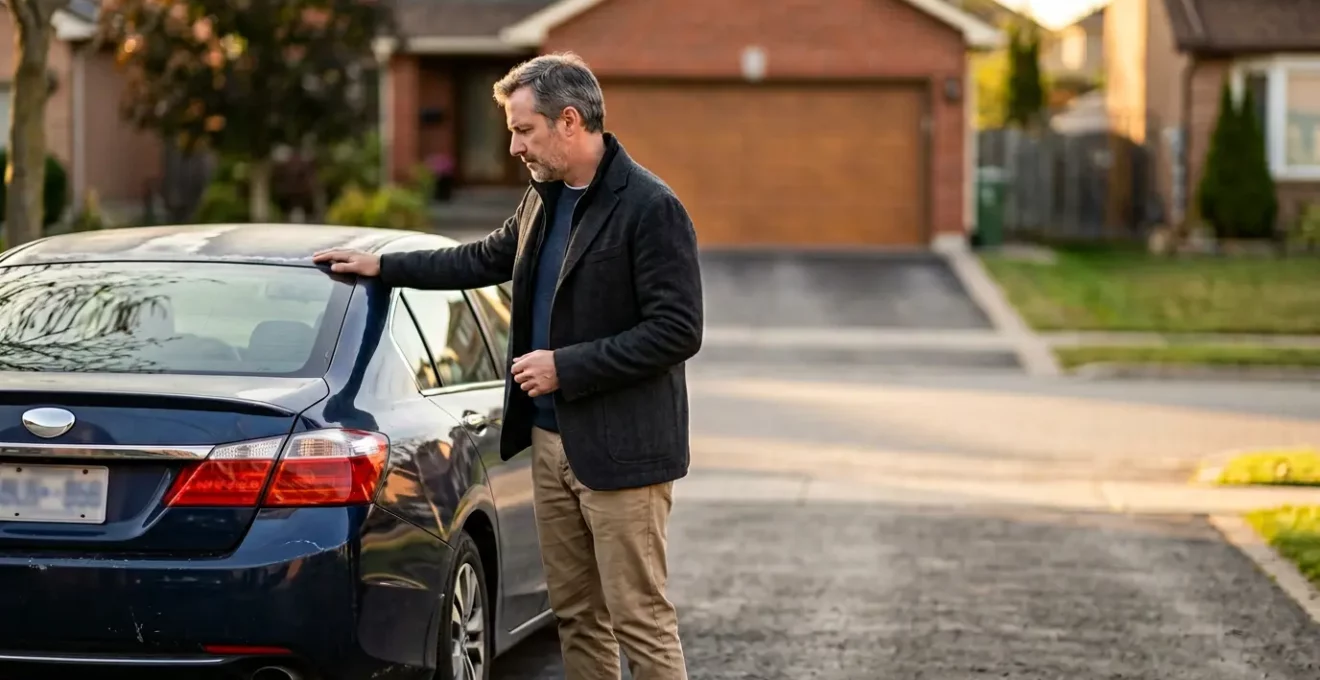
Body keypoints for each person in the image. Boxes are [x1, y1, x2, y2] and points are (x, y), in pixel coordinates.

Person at [312, 52, 700, 680]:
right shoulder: (543, 198)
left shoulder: (651, 207)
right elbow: (482, 259)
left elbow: (677, 331)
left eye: (524, 130)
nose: (514, 146)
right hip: (550, 442)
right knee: (577, 614)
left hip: (623, 453)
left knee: (639, 618)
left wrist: (565, 367)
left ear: (569, 121)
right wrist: (387, 265)